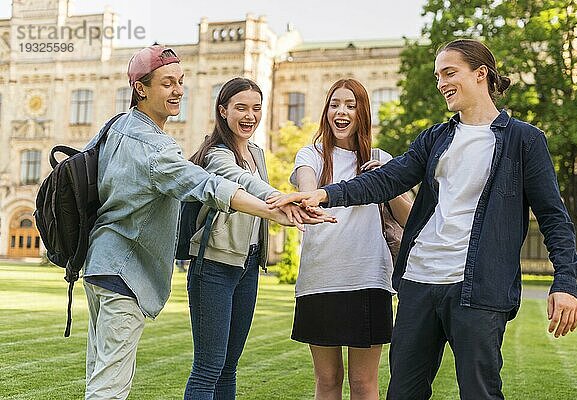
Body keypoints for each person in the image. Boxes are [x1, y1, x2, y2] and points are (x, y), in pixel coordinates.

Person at [268, 39, 577, 399]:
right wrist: (322, 194)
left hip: (477, 290)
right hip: (418, 282)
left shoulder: (524, 140)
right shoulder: (435, 137)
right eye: (437, 76)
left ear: (481, 74)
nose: (441, 83)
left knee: (480, 392)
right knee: (402, 392)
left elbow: (554, 218)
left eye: (449, 73)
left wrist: (565, 282)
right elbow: (385, 179)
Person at [81, 45, 330, 400]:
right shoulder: (156, 147)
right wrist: (275, 209)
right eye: (168, 83)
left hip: (102, 265)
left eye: (180, 81)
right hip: (124, 269)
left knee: (103, 376)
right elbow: (208, 184)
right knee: (109, 388)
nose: (179, 90)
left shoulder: (116, 127)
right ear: (141, 88)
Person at [182, 77, 326, 399]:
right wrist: (281, 198)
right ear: (223, 111)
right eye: (241, 108)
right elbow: (241, 182)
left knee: (230, 366)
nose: (250, 115)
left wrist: (288, 204)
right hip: (214, 266)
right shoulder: (216, 154)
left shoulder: (258, 153)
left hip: (247, 266)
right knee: (208, 367)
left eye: (256, 108)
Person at [289, 78, 412, 400]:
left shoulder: (381, 158)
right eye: (334, 104)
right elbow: (306, 190)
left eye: (350, 105)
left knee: (363, 383)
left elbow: (410, 219)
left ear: (362, 113)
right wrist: (307, 199)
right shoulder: (311, 154)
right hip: (320, 279)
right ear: (326, 111)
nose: (341, 112)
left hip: (368, 278)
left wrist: (386, 180)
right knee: (327, 381)